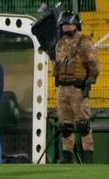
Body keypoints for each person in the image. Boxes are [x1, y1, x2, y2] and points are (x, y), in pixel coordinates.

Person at [54, 10, 99, 164]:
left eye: (68, 24)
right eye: (64, 24)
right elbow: (58, 64)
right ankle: (67, 157)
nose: (66, 27)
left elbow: (94, 66)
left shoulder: (85, 42)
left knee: (83, 125)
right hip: (62, 88)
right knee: (65, 125)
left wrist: (89, 82)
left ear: (75, 24)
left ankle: (88, 157)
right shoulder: (59, 43)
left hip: (78, 88)